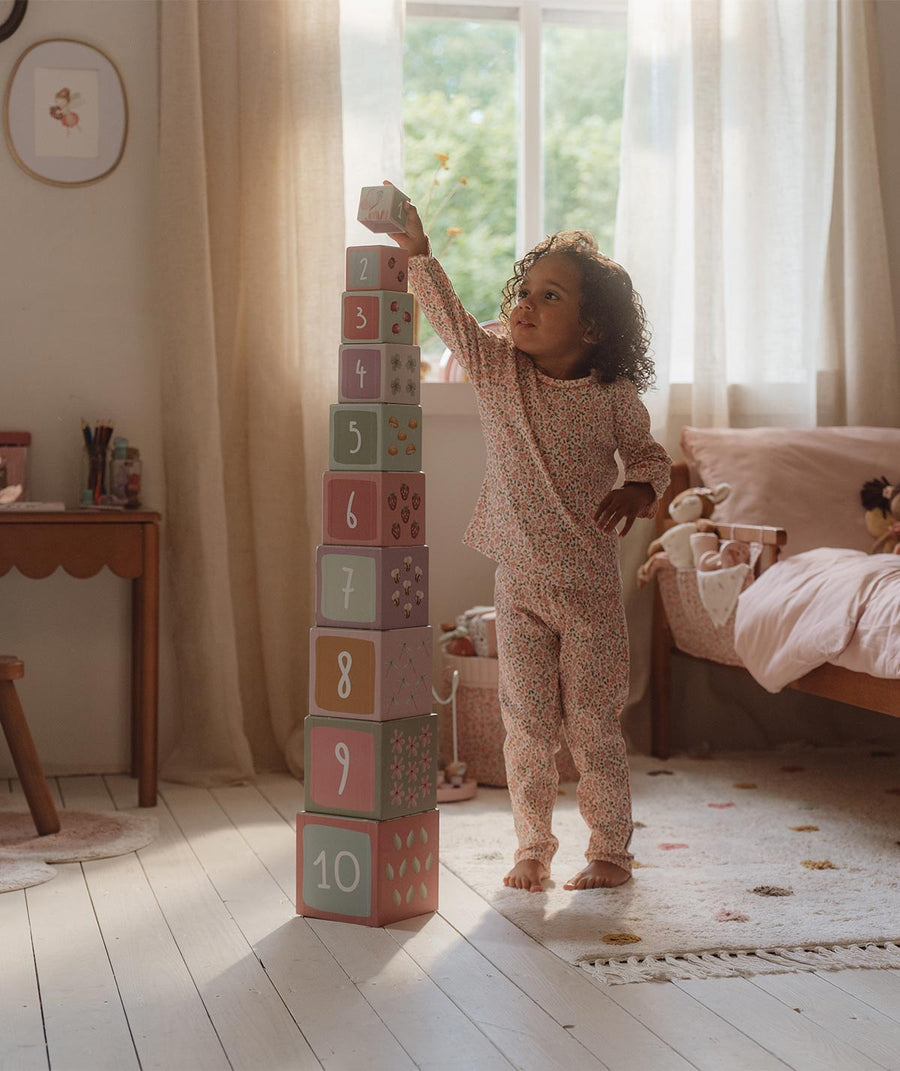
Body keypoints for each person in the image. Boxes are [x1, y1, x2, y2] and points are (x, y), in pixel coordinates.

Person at [389, 194, 671, 893]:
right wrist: (418, 250)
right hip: (518, 587)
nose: (525, 304)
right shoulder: (496, 370)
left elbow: (650, 456)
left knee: (595, 727)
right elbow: (452, 319)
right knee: (527, 727)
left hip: (590, 593)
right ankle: (533, 848)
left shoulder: (611, 394)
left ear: (593, 326)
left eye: (550, 296)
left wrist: (640, 488)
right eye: (524, 290)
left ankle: (609, 850)